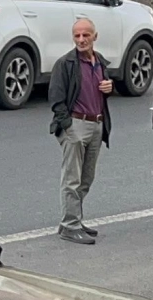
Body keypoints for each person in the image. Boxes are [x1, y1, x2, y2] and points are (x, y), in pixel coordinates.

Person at [48, 17, 114, 245]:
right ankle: (70, 226)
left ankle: (74, 219)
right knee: (72, 179)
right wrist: (68, 127)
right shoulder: (65, 64)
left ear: (95, 36)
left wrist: (109, 88)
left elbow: (101, 92)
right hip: (76, 124)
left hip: (96, 124)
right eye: (77, 35)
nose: (81, 39)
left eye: (86, 35)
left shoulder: (100, 62)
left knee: (86, 178)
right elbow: (56, 99)